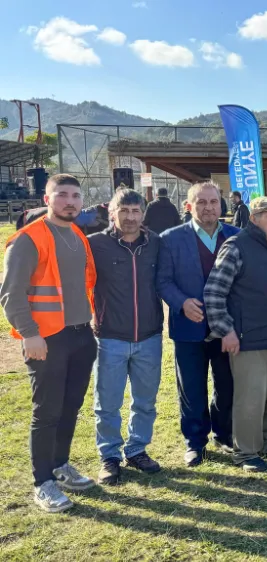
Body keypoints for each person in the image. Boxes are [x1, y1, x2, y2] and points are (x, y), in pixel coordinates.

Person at [1, 174, 97, 513]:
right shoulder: (28, 239)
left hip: (81, 335)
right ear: (47, 198)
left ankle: (60, 466)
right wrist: (30, 334)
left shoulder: (77, 235)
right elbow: (11, 295)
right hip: (46, 338)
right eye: (62, 195)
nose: (69, 201)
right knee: (47, 411)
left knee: (70, 406)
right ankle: (43, 482)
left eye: (75, 195)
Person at [204, 197, 267, 472]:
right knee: (251, 400)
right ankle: (245, 453)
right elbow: (214, 292)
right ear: (254, 218)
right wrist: (226, 330)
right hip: (249, 339)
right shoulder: (236, 247)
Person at [157, 182, 239, 467]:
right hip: (189, 327)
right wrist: (181, 303)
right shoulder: (170, 238)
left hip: (226, 327)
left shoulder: (236, 236)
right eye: (201, 202)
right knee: (191, 388)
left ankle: (225, 433)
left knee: (227, 385)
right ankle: (195, 442)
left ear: (221, 205)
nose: (208, 207)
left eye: (213, 201)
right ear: (189, 205)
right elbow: (163, 281)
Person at [88, 189, 165, 485]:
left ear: (143, 214)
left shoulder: (156, 244)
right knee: (107, 402)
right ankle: (109, 456)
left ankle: (137, 449)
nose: (130, 217)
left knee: (145, 400)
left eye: (136, 212)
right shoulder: (95, 245)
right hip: (111, 337)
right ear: (112, 212)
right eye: (124, 211)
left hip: (149, 336)